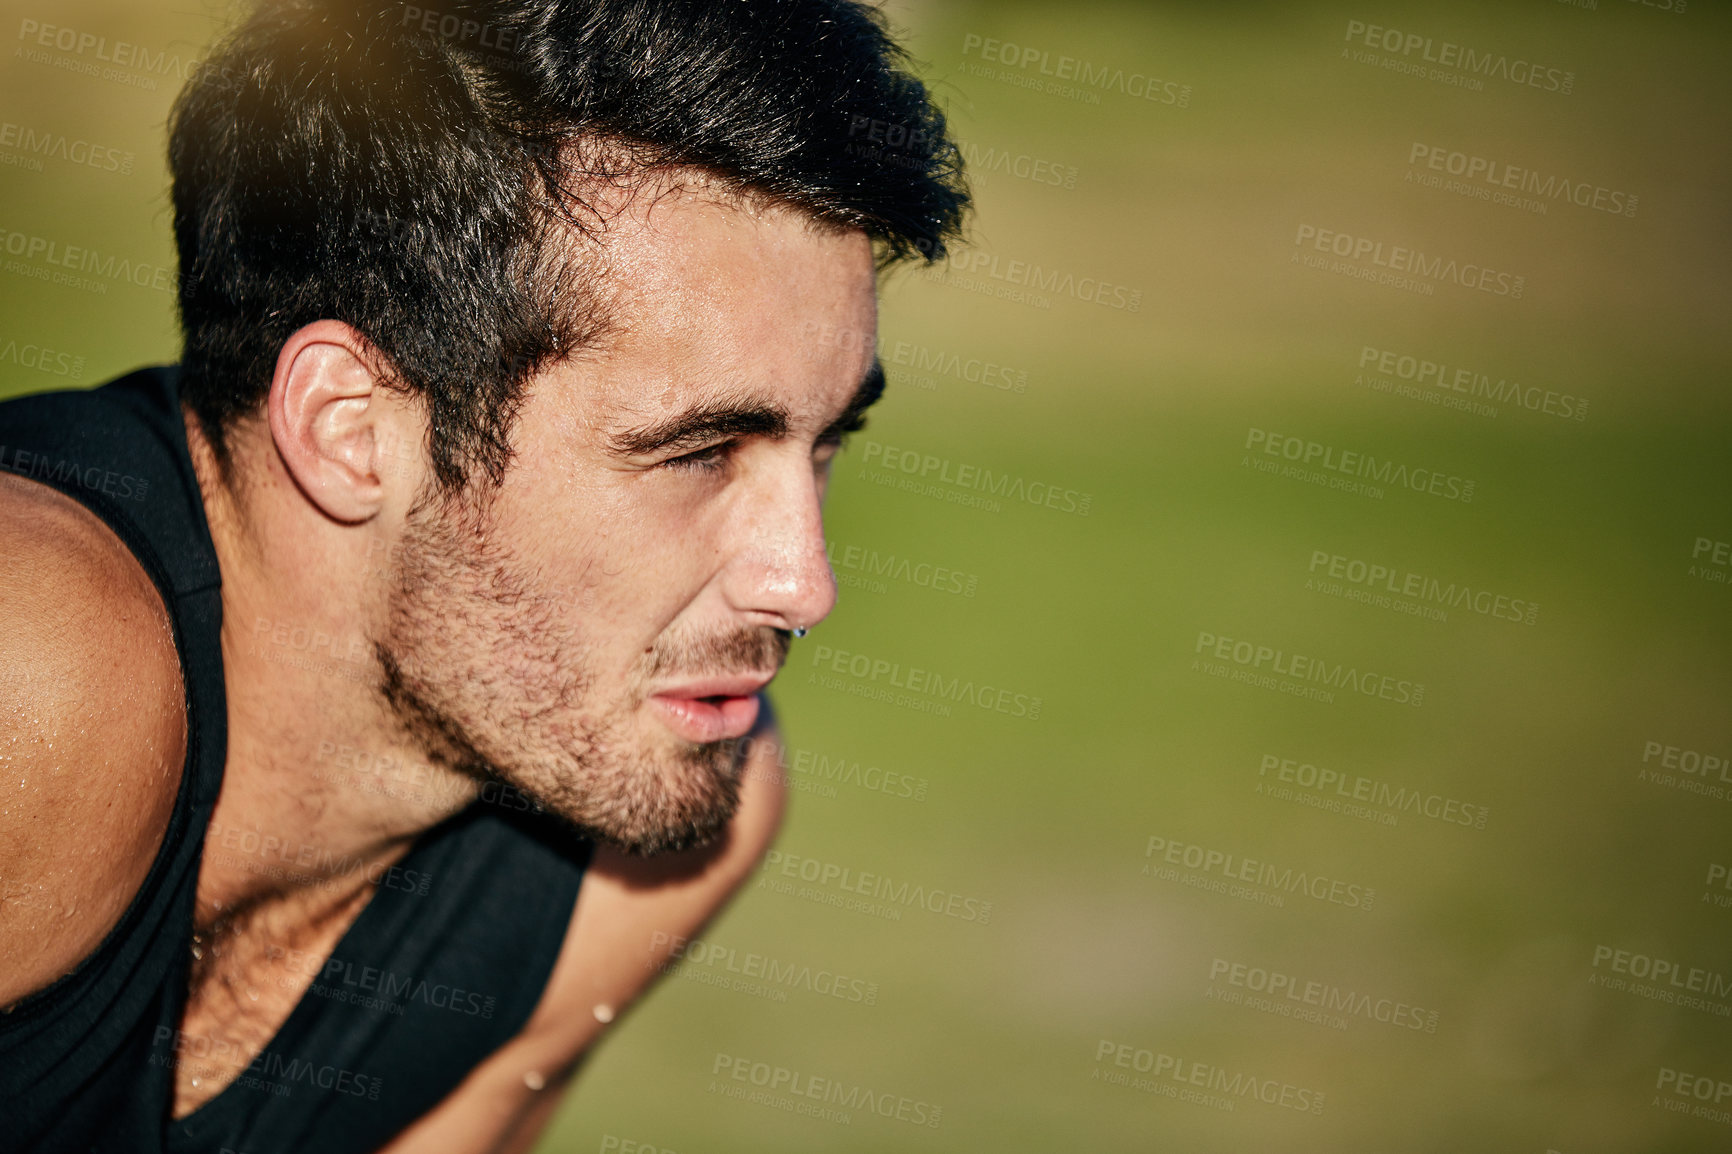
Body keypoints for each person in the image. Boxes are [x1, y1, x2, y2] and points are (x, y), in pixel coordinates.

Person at [0, 1, 967, 1149]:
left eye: (825, 442)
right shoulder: (31, 663)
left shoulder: (652, 843)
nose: (802, 586)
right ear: (350, 429)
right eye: (699, 449)